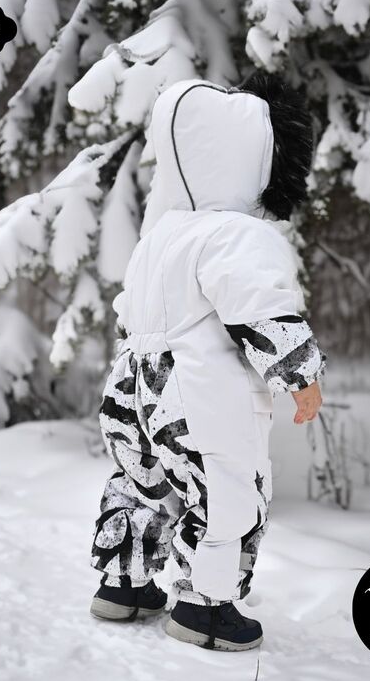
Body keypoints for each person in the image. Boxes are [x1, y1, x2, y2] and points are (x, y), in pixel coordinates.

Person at [89, 73, 326, 651]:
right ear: (258, 161)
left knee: (141, 481)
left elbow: (129, 310)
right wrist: (300, 376)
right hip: (194, 393)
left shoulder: (160, 234)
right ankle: (205, 607)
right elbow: (261, 309)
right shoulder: (238, 234)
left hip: (131, 388)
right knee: (226, 489)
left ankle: (124, 585)